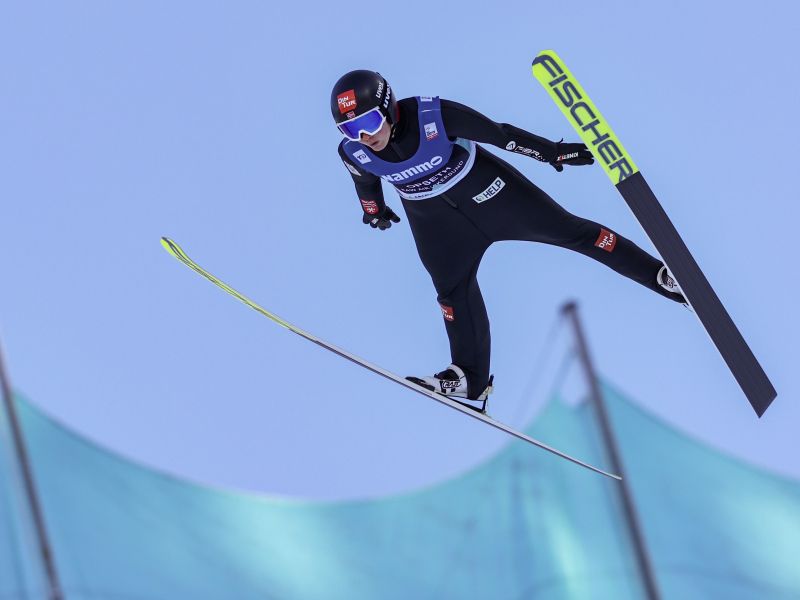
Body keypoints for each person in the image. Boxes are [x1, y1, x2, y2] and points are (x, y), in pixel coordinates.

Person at [331, 69, 685, 412]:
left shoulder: (432, 115)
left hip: (494, 196)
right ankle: (469, 377)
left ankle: (663, 278)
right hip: (438, 226)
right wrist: (374, 210)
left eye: (369, 123)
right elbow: (365, 184)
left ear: (389, 107)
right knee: (452, 293)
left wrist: (551, 152)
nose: (364, 137)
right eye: (351, 129)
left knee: (573, 232)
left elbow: (500, 135)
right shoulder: (354, 153)